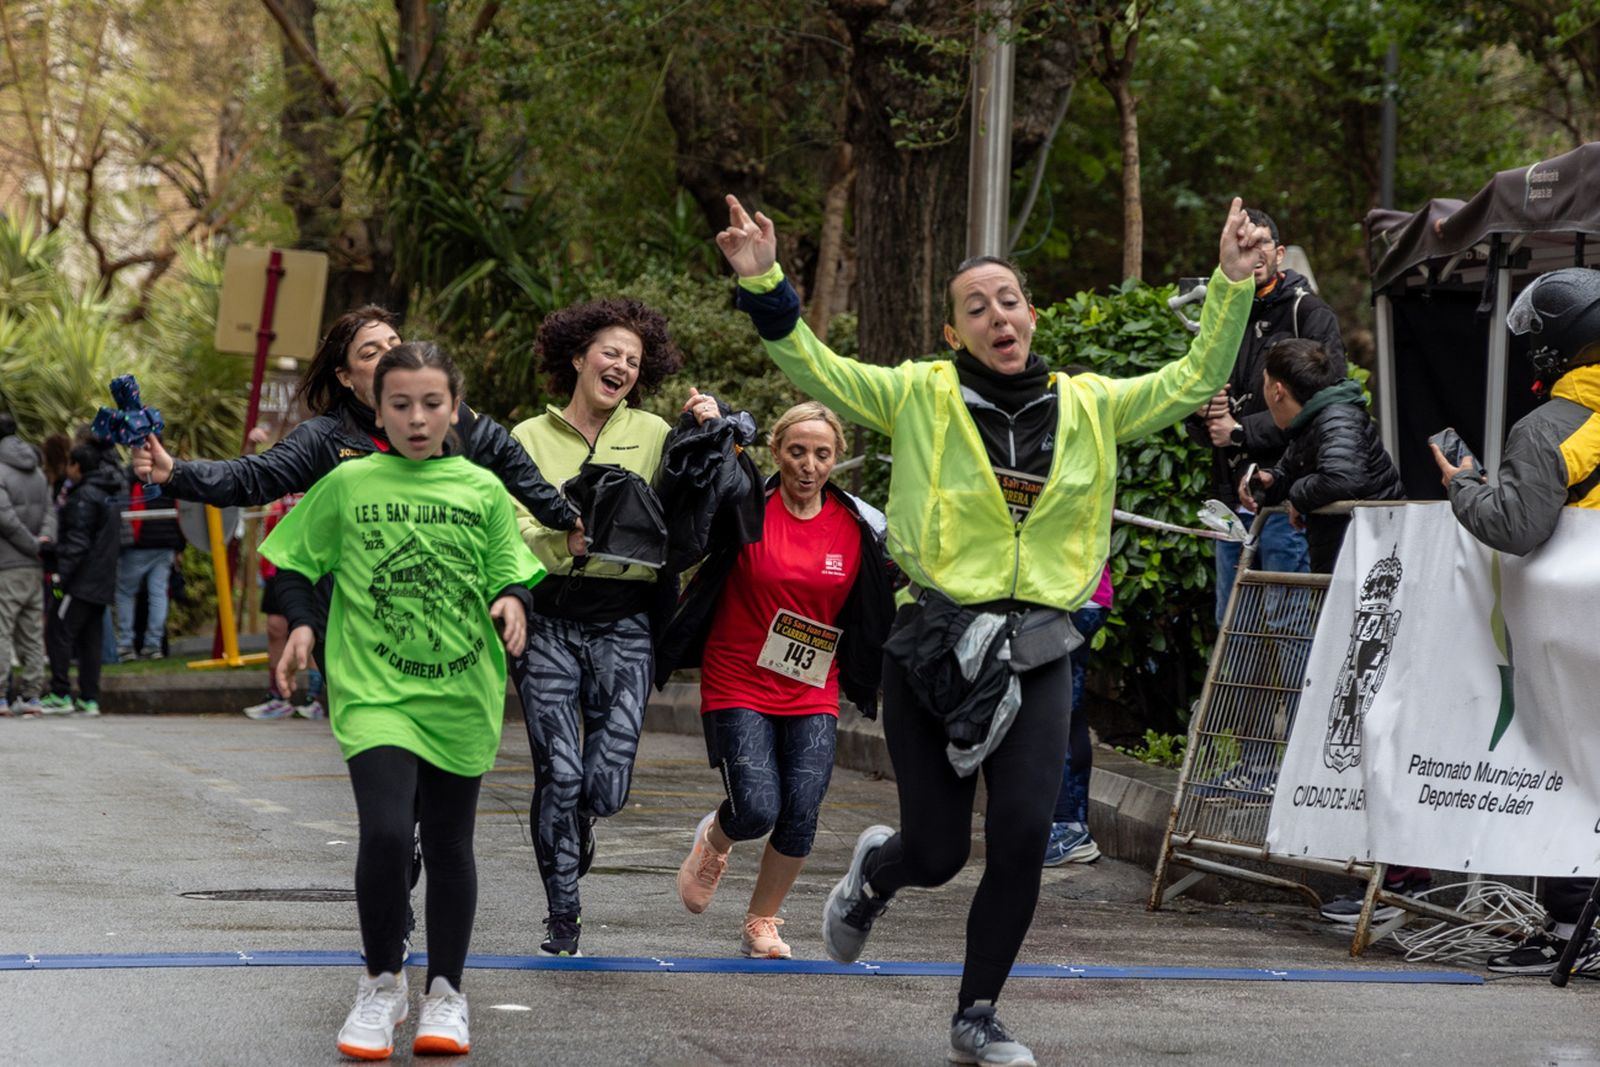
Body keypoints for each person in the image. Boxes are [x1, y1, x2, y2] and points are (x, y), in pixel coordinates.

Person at [716, 193, 1267, 1065]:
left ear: (1030, 314)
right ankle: (876, 875)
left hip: (1038, 646)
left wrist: (1233, 285)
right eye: (975, 307)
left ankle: (977, 1014)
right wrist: (766, 282)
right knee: (937, 851)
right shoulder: (915, 395)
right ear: (953, 333)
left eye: (1007, 299)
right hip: (931, 646)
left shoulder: (1091, 404)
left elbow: (1193, 380)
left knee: (1019, 837)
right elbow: (815, 367)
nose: (996, 315)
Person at [262, 341, 540, 1060]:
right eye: (400, 404)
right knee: (387, 833)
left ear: (454, 408)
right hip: (375, 692)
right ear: (377, 409)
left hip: (461, 690)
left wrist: (511, 602)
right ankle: (381, 982)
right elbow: (291, 561)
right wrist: (299, 623)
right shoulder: (350, 484)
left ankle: (446, 993)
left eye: (432, 403)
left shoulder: (481, 489)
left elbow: (514, 573)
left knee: (448, 843)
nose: (417, 418)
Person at [660, 401, 895, 958]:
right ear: (776, 452)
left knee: (803, 810)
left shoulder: (860, 525)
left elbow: (879, 598)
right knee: (758, 808)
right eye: (796, 451)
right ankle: (716, 839)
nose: (808, 465)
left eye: (821, 454)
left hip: (813, 683)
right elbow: (692, 496)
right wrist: (713, 429)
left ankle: (761, 922)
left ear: (837, 458)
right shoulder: (745, 505)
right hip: (738, 676)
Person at [507, 297, 700, 957]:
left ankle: (583, 819)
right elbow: (512, 531)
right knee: (558, 774)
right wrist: (567, 537)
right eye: (610, 352)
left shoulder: (653, 433)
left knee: (605, 786)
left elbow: (692, 500)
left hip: (627, 622)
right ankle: (563, 916)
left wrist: (708, 427)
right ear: (578, 356)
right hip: (550, 620)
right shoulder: (527, 438)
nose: (620, 365)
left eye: (633, 359)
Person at [1431, 267, 1600, 976]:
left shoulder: (1546, 427)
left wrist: (1462, 482)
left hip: (1573, 632)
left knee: (1564, 767)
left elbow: (1517, 523)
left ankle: (1569, 925)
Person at [1187, 209, 1341, 620]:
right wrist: (1201, 412)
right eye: (1243, 246)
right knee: (1230, 621)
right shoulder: (1219, 318)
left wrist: (1240, 431)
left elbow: (1326, 405)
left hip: (1282, 497)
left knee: (1286, 620)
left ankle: (1303, 690)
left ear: (1280, 253)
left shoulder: (1307, 314)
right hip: (1227, 498)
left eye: (1260, 245)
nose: (1252, 255)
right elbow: (1198, 407)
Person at [1239, 338, 1404, 574]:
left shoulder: (1338, 418)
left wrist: (1298, 496)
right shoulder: (1311, 422)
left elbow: (1342, 479)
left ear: (1277, 391)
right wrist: (1270, 482)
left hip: (1371, 565)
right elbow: (1296, 473)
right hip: (1349, 559)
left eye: (1264, 383)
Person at [39, 444, 122, 716]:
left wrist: (61, 575)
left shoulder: (83, 497)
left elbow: (77, 542)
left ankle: (60, 692)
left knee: (58, 631)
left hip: (81, 580)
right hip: (102, 580)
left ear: (76, 466)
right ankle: (89, 697)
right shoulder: (107, 492)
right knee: (91, 639)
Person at [1043, 562, 1111, 866]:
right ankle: (1074, 826)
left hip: (1064, 594)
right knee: (1068, 713)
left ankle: (1066, 826)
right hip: (1088, 594)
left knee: (1048, 714)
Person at [0, 413, 55, 716]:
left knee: (1, 630)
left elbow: (5, 519)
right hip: (34, 565)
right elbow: (51, 511)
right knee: (32, 632)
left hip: (6, 565)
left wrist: (30, 544)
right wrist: (42, 542)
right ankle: (32, 696)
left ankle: (1, 697)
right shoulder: (36, 472)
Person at [115, 435, 182, 661]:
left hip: (138, 543)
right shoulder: (173, 470)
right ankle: (153, 645)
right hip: (166, 544)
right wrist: (179, 545)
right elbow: (183, 511)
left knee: (125, 592)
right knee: (158, 594)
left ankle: (125, 644)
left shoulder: (132, 473)